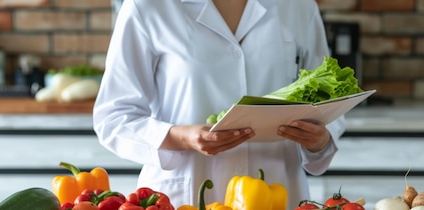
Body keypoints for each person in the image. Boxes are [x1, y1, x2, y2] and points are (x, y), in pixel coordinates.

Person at [92, 0, 347, 209]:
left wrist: (319, 140)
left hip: (278, 191)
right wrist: (180, 137)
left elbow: (327, 104)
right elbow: (113, 116)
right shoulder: (148, 7)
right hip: (185, 194)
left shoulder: (299, 7)